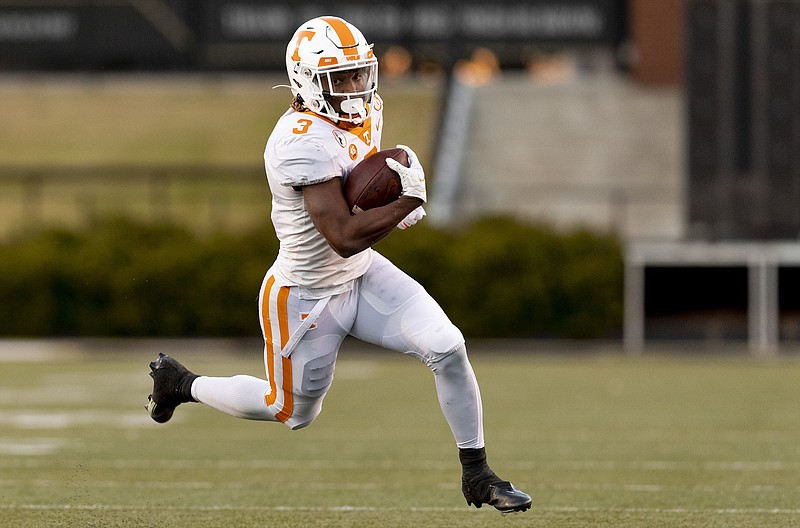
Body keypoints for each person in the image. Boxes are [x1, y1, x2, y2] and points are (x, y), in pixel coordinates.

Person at [145, 15, 531, 514]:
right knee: (291, 411)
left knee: (447, 346)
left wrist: (390, 198)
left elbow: (358, 208)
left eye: (357, 73)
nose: (353, 87)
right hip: (305, 295)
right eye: (339, 78)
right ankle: (180, 383)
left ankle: (477, 475)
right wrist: (404, 203)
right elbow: (343, 236)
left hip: (363, 274)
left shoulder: (366, 108)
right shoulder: (299, 140)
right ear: (306, 80)